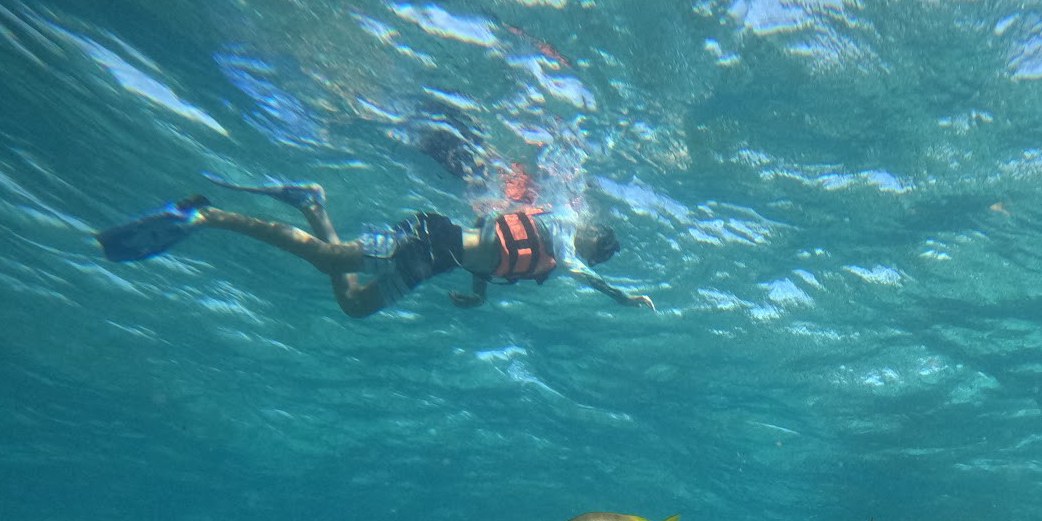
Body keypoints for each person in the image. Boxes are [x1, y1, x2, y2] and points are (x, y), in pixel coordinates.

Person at [95, 177, 653, 318]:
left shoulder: (548, 240)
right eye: (592, 246)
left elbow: (490, 246)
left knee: (355, 304)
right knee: (327, 259)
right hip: (430, 239)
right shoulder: (561, 242)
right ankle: (207, 215)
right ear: (589, 240)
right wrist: (623, 298)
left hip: (436, 260)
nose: (586, 249)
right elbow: (587, 277)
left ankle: (313, 204)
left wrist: (479, 292)